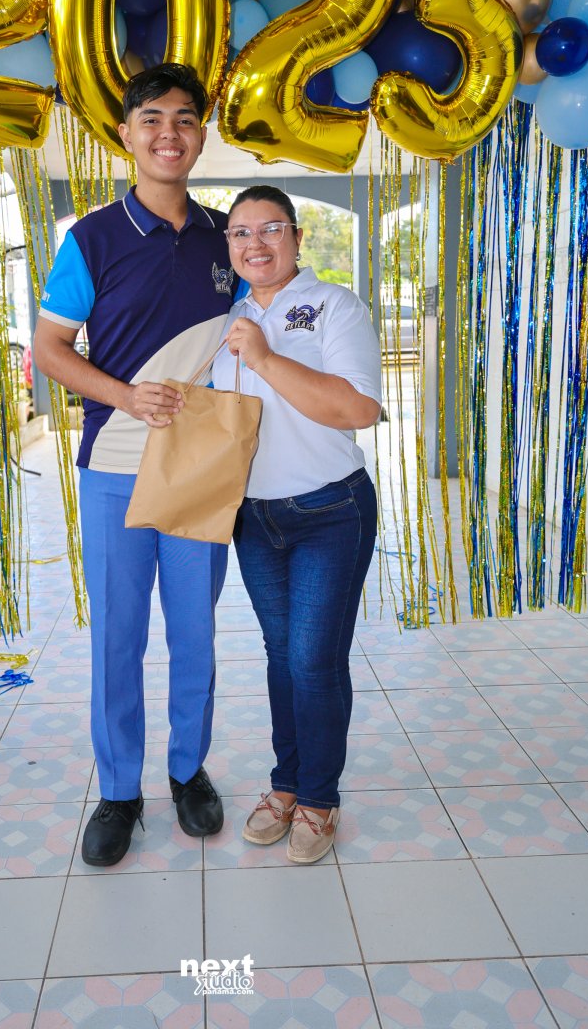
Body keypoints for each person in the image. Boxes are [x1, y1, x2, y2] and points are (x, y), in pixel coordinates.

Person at [32, 64, 239, 866]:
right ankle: (120, 789)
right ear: (125, 134)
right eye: (151, 118)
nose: (168, 133)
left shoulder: (227, 236)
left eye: (184, 119)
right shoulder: (90, 239)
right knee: (118, 636)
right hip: (114, 464)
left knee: (195, 634)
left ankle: (188, 772)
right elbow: (51, 350)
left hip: (200, 467)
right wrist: (124, 394)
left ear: (200, 134)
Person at [211, 184, 381, 864]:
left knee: (313, 660)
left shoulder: (335, 306)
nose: (255, 243)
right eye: (240, 233)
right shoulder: (227, 318)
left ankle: (318, 798)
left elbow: (359, 409)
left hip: (328, 512)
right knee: (281, 656)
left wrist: (264, 357)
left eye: (270, 228)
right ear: (229, 246)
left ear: (297, 237)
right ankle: (286, 784)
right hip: (254, 519)